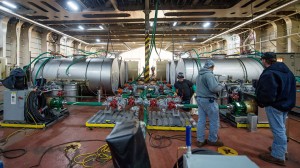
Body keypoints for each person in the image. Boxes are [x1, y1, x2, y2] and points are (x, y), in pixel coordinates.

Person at [256, 52, 296, 166]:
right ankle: (281, 149)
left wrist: (262, 102)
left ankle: (278, 156)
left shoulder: (269, 74)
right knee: (281, 128)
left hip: (275, 106)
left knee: (277, 130)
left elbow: (268, 93)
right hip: (285, 104)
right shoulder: (288, 72)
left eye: (262, 60)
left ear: (264, 60)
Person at [195, 59, 225, 147]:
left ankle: (200, 140)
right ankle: (212, 139)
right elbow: (214, 88)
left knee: (201, 120)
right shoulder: (209, 75)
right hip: (209, 100)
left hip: (200, 100)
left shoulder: (199, 75)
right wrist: (222, 85)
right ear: (211, 67)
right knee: (214, 121)